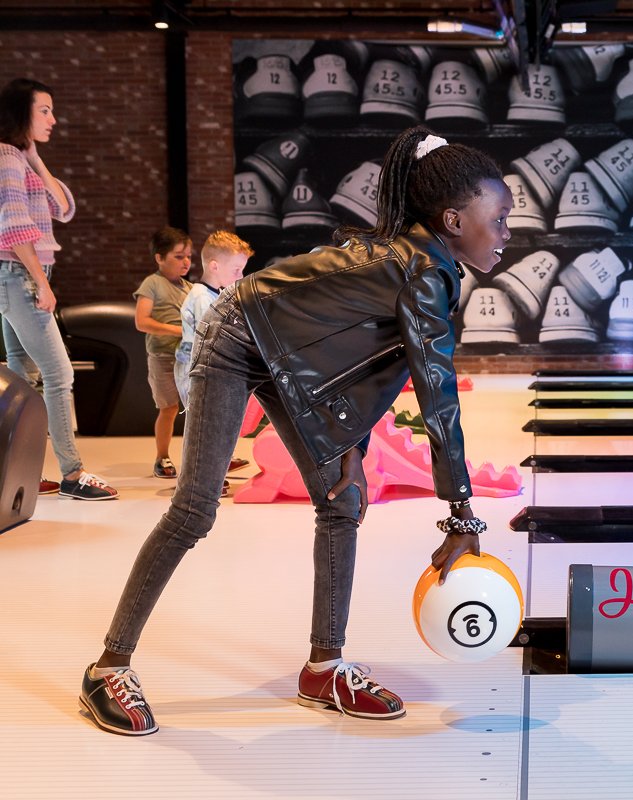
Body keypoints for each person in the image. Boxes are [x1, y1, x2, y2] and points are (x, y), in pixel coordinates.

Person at [80, 126, 512, 736]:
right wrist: (462, 514)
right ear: (453, 220)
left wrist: (350, 448)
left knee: (343, 500)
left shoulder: (428, 266)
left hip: (285, 356)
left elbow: (368, 368)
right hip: (237, 336)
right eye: (499, 219)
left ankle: (323, 669)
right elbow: (436, 395)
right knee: (195, 508)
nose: (508, 233)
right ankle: (106, 670)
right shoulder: (421, 271)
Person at [0, 78, 118, 501]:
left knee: (21, 376)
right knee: (59, 373)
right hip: (20, 274)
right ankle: (72, 474)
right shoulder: (6, 157)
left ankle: (18, 472)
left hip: (17, 274)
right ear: (22, 112)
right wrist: (41, 281)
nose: (53, 119)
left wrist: (35, 157)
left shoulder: (19, 157)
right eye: (45, 110)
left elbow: (64, 208)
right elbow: (14, 226)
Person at [174, 230, 254, 495]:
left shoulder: (213, 295)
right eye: (236, 270)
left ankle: (210, 472)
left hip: (205, 366)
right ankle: (197, 481)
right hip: (195, 369)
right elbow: (208, 336)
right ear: (214, 266)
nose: (240, 276)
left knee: (210, 424)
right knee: (200, 427)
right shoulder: (201, 297)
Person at [134, 227, 193, 479]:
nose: (186, 262)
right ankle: (162, 457)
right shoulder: (152, 283)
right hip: (163, 357)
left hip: (189, 357)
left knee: (197, 409)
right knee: (169, 408)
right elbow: (142, 322)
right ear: (159, 257)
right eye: (178, 256)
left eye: (188, 256)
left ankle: (203, 457)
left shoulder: (191, 288)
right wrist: (178, 330)